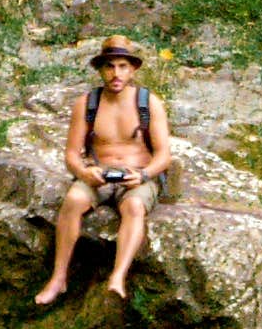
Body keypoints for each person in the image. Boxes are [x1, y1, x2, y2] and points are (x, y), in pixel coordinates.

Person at [33, 36, 172, 311]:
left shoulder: (149, 103)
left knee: (134, 206)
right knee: (73, 201)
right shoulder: (87, 104)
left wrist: (144, 176)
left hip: (137, 175)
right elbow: (72, 154)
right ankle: (58, 278)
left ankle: (118, 276)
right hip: (99, 174)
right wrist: (84, 173)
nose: (116, 73)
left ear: (133, 70)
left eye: (122, 66)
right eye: (110, 66)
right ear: (101, 70)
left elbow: (164, 155)